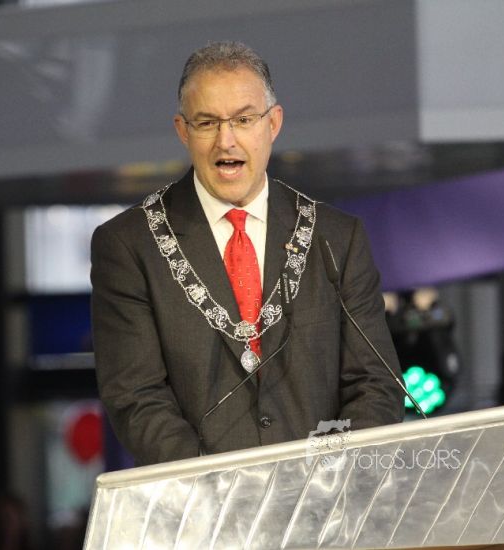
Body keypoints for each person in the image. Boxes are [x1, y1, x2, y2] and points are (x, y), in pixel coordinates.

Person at [90, 41, 404, 466]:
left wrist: (325, 477)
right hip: (202, 501)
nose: (227, 141)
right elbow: (136, 398)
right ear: (183, 131)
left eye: (243, 119)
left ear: (273, 123)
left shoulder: (336, 238)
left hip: (325, 497)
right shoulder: (129, 245)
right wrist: (222, 488)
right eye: (207, 123)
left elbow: (376, 384)